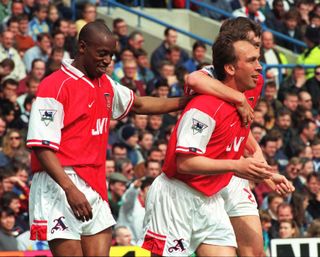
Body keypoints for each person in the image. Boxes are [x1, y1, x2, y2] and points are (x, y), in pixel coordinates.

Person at [26, 21, 190, 257]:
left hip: (94, 182)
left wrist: (186, 102)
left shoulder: (105, 84)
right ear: (82, 48)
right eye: (102, 53)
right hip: (59, 183)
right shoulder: (54, 86)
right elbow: (41, 147)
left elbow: (141, 103)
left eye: (111, 55)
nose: (107, 61)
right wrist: (70, 189)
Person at [140, 32, 282, 257]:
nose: (260, 66)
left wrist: (264, 172)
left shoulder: (241, 102)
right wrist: (236, 166)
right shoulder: (205, 106)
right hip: (176, 196)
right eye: (252, 60)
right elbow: (185, 163)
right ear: (231, 68)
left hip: (210, 197)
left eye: (259, 59)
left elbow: (236, 143)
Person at [184, 17, 294, 257]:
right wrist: (238, 98)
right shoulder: (209, 75)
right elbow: (191, 80)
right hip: (204, 172)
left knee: (255, 251)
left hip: (234, 174)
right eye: (250, 46)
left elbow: (240, 132)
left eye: (258, 48)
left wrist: (266, 171)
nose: (257, 55)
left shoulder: (257, 79)